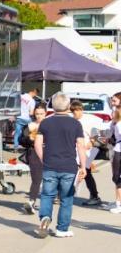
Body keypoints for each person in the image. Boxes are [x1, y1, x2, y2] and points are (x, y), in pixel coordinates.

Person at [35, 92, 90, 239]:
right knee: (67, 198)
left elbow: (37, 143)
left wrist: (43, 159)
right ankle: (62, 229)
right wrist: (83, 166)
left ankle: (45, 217)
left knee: (47, 194)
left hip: (50, 165)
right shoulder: (75, 124)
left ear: (52, 105)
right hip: (69, 167)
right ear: (68, 105)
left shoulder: (45, 122)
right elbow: (81, 146)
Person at [70, 100, 103, 206]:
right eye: (74, 111)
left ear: (82, 110)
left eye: (78, 110)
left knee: (86, 173)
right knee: (74, 172)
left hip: (87, 151)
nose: (77, 113)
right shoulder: (72, 120)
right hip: (75, 151)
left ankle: (94, 196)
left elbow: (95, 135)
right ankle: (67, 194)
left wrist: (91, 143)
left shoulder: (87, 121)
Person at [18, 104, 46, 216]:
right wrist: (29, 138)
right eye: (37, 114)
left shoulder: (49, 125)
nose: (39, 116)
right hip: (33, 153)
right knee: (37, 179)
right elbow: (21, 140)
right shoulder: (30, 126)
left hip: (49, 153)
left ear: (46, 113)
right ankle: (31, 202)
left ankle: (49, 201)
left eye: (41, 114)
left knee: (51, 179)